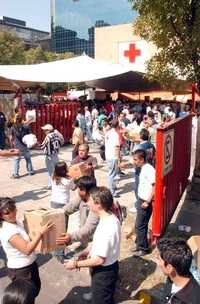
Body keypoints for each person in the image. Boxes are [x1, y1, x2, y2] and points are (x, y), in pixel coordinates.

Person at [65, 186, 121, 304]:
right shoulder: (109, 217)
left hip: (103, 273)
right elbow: (98, 243)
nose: (88, 202)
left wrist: (75, 264)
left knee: (101, 300)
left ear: (99, 204)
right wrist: (86, 251)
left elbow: (99, 260)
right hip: (108, 268)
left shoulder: (107, 228)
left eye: (90, 200)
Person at [0, 197, 53, 297]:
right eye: (7, 213)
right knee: (26, 297)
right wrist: (40, 233)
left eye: (13, 209)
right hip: (21, 270)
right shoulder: (7, 231)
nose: (12, 214)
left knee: (35, 290)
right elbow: (27, 250)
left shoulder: (16, 222)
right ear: (1, 216)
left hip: (30, 264)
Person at [57, 176, 98, 247]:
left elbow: (88, 229)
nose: (77, 190)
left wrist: (70, 237)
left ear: (84, 190)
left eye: (78, 188)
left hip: (96, 240)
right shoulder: (81, 198)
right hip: (85, 239)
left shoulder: (97, 205)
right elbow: (66, 209)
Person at [157, 238, 200, 304]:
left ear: (169, 267)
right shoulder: (171, 278)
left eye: (159, 260)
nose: (158, 264)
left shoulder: (193, 300)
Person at [132, 149, 155, 256]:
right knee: (139, 225)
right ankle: (140, 245)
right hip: (141, 200)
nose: (134, 161)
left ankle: (143, 248)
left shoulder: (149, 170)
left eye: (136, 159)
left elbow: (155, 187)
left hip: (145, 202)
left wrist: (148, 201)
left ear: (141, 160)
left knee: (140, 225)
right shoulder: (143, 168)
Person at [40, 124, 63, 189]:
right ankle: (55, 183)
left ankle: (51, 185)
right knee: (56, 170)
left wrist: (35, 145)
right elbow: (61, 142)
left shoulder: (48, 137)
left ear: (48, 130)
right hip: (56, 155)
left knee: (51, 171)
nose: (44, 131)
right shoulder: (56, 135)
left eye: (45, 130)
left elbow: (42, 146)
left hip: (50, 156)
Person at [105, 119, 121, 197]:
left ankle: (112, 188)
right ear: (117, 125)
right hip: (113, 156)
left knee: (111, 173)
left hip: (108, 155)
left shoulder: (108, 133)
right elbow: (117, 147)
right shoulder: (115, 134)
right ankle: (112, 191)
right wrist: (118, 159)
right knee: (112, 174)